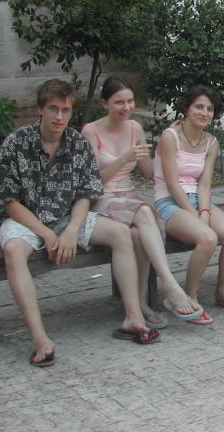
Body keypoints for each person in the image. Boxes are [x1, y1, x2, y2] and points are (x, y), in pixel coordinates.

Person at [0, 79, 158, 368]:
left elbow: (86, 193)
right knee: (13, 251)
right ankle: (41, 339)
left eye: (66, 110)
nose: (59, 117)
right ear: (40, 109)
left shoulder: (77, 143)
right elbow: (10, 201)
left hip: (67, 215)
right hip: (26, 218)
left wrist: (71, 229)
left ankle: (133, 318)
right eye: (53, 109)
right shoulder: (16, 143)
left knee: (121, 233)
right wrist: (47, 234)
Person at [81, 76, 199, 328]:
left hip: (129, 198)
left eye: (130, 101)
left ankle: (140, 304)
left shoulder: (135, 128)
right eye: (119, 102)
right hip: (102, 199)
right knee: (145, 214)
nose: (126, 107)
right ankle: (170, 285)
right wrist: (124, 158)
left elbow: (148, 171)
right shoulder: (91, 131)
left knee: (139, 234)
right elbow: (91, 182)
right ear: (105, 103)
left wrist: (169, 141)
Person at [153, 85, 224, 325]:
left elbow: (205, 183)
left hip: (198, 199)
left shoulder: (211, 142)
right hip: (169, 201)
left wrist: (204, 211)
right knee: (207, 238)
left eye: (209, 109)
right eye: (198, 107)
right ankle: (190, 297)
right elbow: (172, 184)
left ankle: (223, 291)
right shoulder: (170, 137)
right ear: (187, 108)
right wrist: (194, 214)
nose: (204, 113)